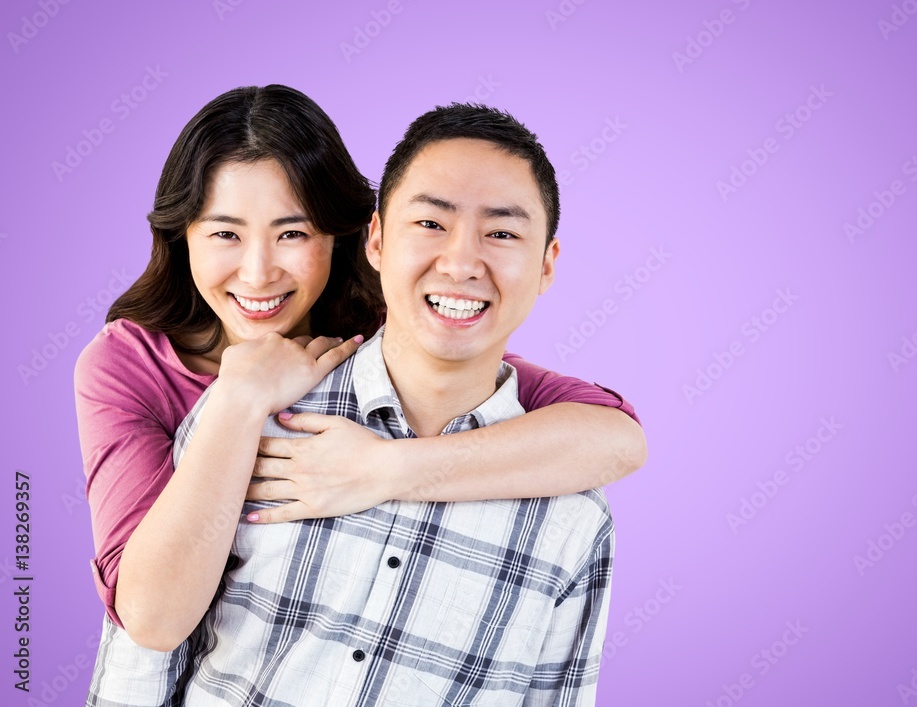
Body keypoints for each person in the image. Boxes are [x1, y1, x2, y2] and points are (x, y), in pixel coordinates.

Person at [77, 86, 642, 700]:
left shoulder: (404, 326)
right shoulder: (146, 375)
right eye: (224, 234)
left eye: (292, 233)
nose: (259, 272)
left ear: (348, 238)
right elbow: (147, 629)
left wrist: (384, 468)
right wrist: (240, 399)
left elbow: (611, 434)